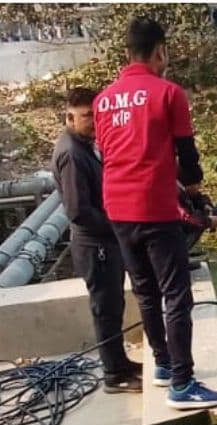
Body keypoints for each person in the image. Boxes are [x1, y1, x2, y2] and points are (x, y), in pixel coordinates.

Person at [94, 16, 217, 410]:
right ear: (160, 52)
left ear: (125, 54)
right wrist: (194, 190)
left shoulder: (103, 99)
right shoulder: (168, 93)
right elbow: (187, 155)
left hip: (117, 209)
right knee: (176, 295)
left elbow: (108, 153)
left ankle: (164, 365)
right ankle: (183, 384)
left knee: (146, 292)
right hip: (154, 207)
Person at [52, 86, 143, 393]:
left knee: (114, 305)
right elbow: (78, 211)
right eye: (86, 116)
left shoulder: (87, 145)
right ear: (69, 116)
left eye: (97, 115)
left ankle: (120, 363)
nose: (93, 121)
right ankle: (114, 375)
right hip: (95, 244)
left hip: (105, 242)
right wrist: (117, 225)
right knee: (105, 309)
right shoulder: (71, 153)